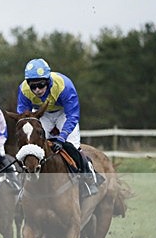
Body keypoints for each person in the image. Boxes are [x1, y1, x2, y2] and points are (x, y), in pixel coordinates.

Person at [16, 58, 101, 195]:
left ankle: (88, 178)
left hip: (64, 114)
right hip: (41, 114)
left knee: (72, 145)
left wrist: (61, 138)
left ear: (48, 81)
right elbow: (24, 116)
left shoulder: (64, 86)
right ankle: (25, 184)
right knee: (32, 146)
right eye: (33, 86)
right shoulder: (23, 90)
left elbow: (73, 115)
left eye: (41, 85)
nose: (37, 90)